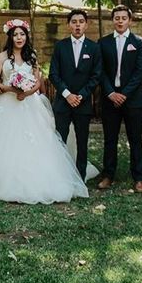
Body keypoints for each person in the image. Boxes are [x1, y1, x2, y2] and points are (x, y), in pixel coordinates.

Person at [0, 19, 89, 204]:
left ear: (27, 36)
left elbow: (37, 82)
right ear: (10, 37)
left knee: (38, 141)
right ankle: (5, 181)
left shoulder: (32, 56)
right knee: (6, 142)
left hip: (29, 104)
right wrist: (12, 89)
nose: (19, 38)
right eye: (15, 34)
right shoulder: (2, 57)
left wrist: (26, 92)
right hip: (7, 104)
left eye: (22, 34)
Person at [97, 5, 142, 192]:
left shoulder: (140, 43)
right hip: (110, 98)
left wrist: (124, 94)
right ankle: (108, 175)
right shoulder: (103, 43)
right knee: (110, 139)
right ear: (113, 21)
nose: (119, 21)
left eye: (123, 18)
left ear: (130, 21)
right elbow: (100, 71)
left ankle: (139, 178)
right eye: (116, 18)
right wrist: (111, 93)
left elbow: (140, 71)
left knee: (135, 138)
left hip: (132, 98)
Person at [49, 9, 102, 181]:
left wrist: (81, 95)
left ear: (86, 24)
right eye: (74, 21)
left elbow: (96, 76)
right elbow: (53, 74)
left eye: (81, 21)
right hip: (63, 103)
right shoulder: (60, 46)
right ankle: (60, 174)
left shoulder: (94, 48)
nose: (77, 25)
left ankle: (80, 175)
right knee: (60, 140)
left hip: (83, 102)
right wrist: (67, 94)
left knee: (82, 141)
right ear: (68, 24)